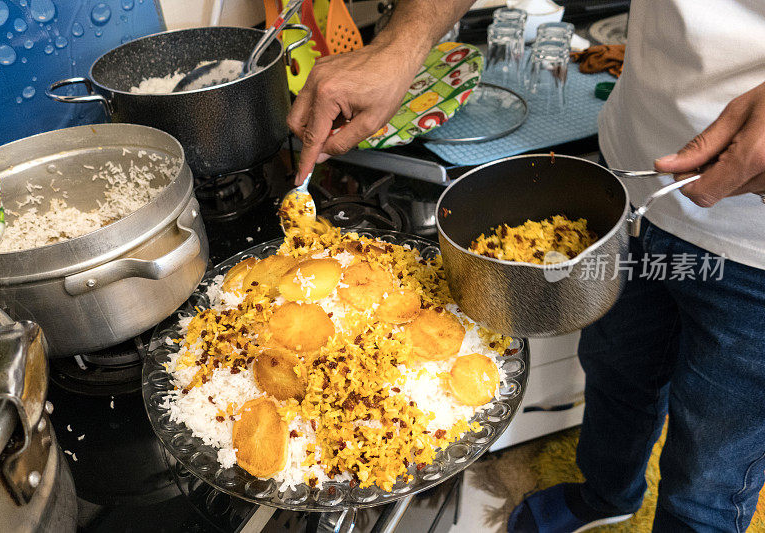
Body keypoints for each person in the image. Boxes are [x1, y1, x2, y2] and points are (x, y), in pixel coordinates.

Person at [288, 0, 765, 531]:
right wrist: (400, 45)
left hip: (755, 246)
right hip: (628, 190)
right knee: (616, 374)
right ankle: (609, 495)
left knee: (711, 469)